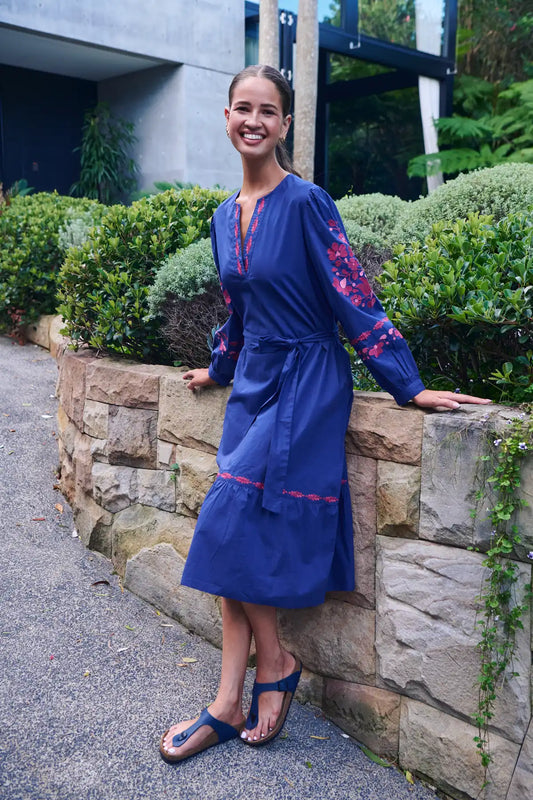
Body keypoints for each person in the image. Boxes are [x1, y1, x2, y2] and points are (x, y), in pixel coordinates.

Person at [159, 64, 491, 764]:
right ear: (226, 117)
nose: (253, 120)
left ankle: (250, 684)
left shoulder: (308, 202)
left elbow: (352, 294)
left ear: (284, 124)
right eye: (242, 108)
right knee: (235, 538)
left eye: (267, 110)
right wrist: (218, 368)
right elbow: (238, 311)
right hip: (252, 384)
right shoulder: (223, 217)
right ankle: (249, 684)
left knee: (225, 525)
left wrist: (407, 385)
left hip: (308, 379)